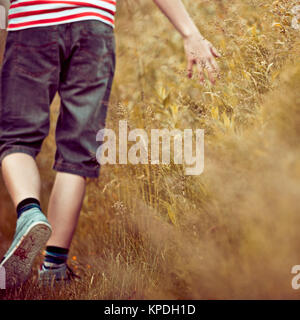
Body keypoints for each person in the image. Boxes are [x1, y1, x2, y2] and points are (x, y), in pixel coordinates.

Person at [0, 0, 220, 288]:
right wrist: (190, 32)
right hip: (94, 26)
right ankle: (53, 268)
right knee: (78, 153)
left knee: (17, 139)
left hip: (32, 24)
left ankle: (29, 212)